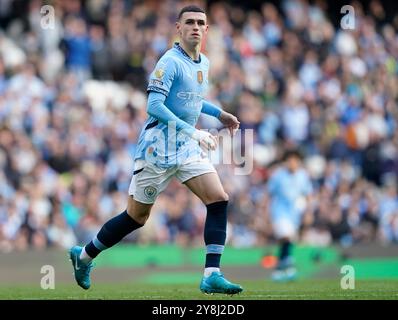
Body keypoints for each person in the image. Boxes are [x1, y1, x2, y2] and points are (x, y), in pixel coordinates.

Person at [69, 5, 243, 295]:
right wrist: (194, 132)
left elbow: (191, 100)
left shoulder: (204, 63)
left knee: (218, 199)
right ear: (179, 28)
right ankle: (84, 255)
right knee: (136, 217)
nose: (196, 27)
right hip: (156, 150)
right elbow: (153, 105)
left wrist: (220, 114)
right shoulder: (169, 62)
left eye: (201, 22)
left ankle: (212, 273)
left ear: (207, 29)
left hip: (185, 147)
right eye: (190, 22)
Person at [267, 149, 313, 281]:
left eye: (295, 160)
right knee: (286, 236)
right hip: (279, 212)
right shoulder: (278, 175)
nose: (292, 163)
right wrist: (266, 214)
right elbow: (269, 194)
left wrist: (309, 212)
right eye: (290, 160)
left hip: (295, 214)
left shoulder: (303, 176)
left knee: (287, 241)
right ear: (286, 162)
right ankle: (290, 264)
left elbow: (308, 194)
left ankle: (279, 270)